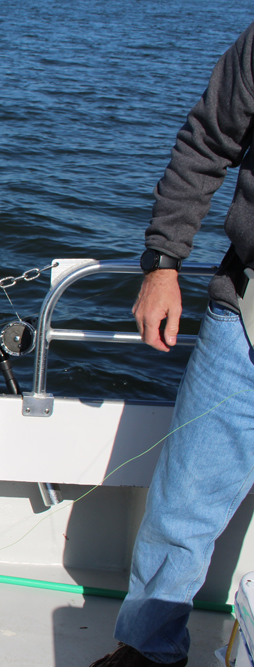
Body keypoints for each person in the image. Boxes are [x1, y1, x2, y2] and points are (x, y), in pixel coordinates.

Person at [90, 20, 254, 667]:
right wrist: (162, 262)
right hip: (245, 311)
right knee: (181, 500)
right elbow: (206, 140)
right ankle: (149, 649)